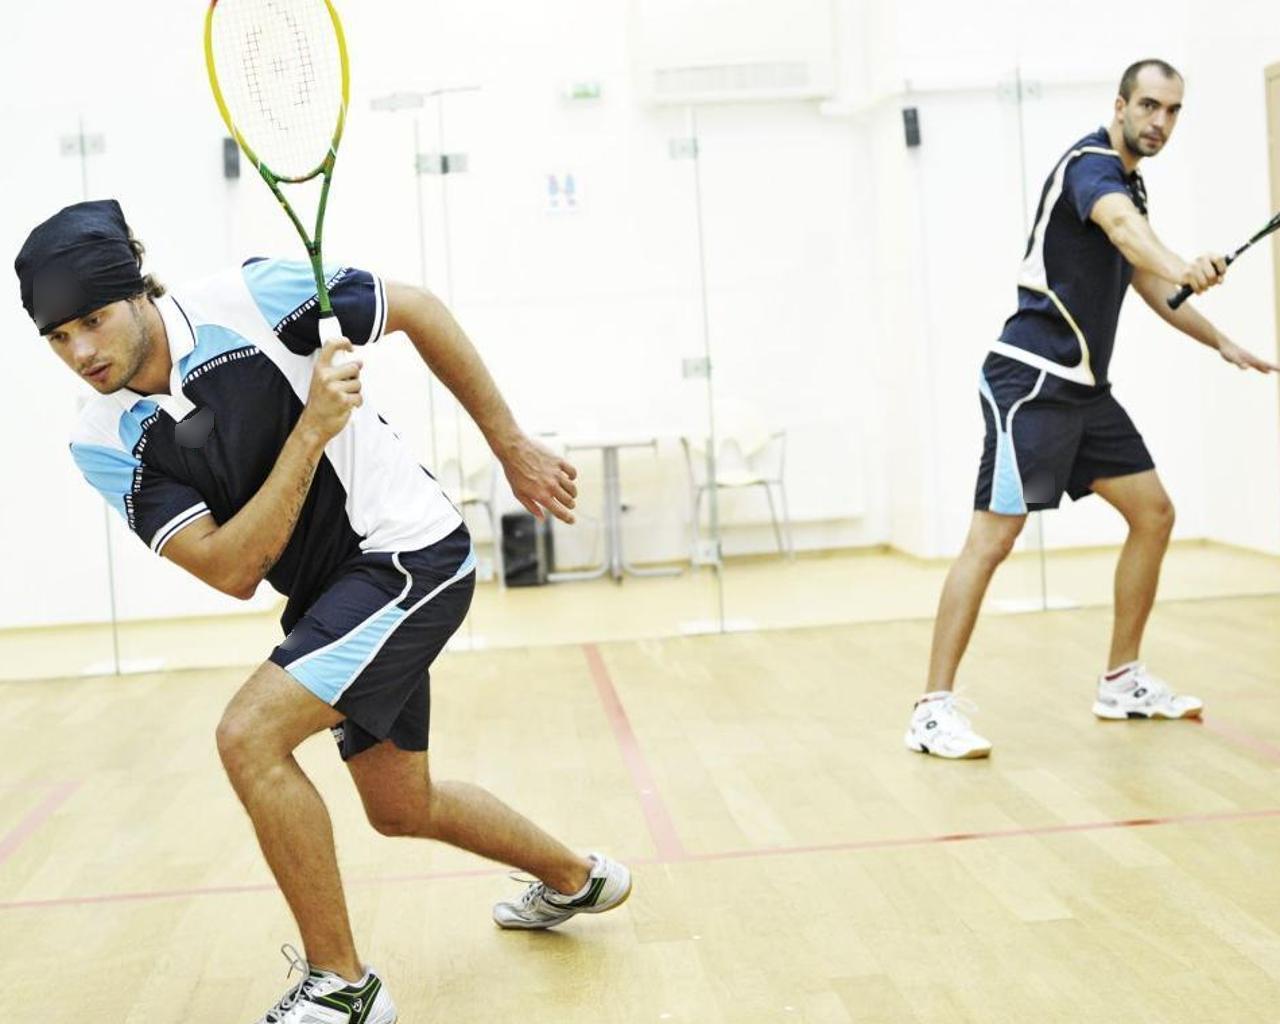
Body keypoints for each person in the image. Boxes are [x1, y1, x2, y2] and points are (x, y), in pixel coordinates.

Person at [15, 199, 632, 1023]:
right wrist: (309, 432)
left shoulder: (253, 298)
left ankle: (342, 986)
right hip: (329, 594)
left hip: (408, 553)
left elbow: (417, 308)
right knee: (400, 806)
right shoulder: (103, 439)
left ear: (137, 291)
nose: (81, 352)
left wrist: (509, 444)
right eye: (57, 338)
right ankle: (578, 879)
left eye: (92, 320)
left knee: (249, 736)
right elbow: (232, 570)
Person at [905, 59, 1279, 759]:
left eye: (1172, 110)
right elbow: (1131, 237)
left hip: (1084, 393)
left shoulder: (1131, 183)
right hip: (1033, 386)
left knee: (1153, 513)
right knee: (993, 540)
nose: (1160, 122)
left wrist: (1221, 340)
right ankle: (931, 710)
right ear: (1121, 105)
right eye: (1149, 106)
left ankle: (1121, 680)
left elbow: (1145, 277)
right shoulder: (1092, 169)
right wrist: (1182, 263)